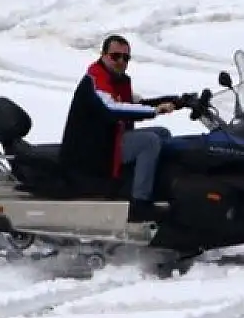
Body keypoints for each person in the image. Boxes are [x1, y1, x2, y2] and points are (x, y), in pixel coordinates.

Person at [59, 34, 179, 222]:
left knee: (162, 133)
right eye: (116, 56)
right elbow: (111, 108)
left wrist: (176, 100)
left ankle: (154, 187)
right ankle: (139, 204)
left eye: (126, 58)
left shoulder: (116, 80)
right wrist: (154, 110)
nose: (121, 61)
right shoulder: (96, 79)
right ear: (103, 55)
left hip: (109, 141)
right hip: (94, 151)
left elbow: (132, 103)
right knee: (149, 141)